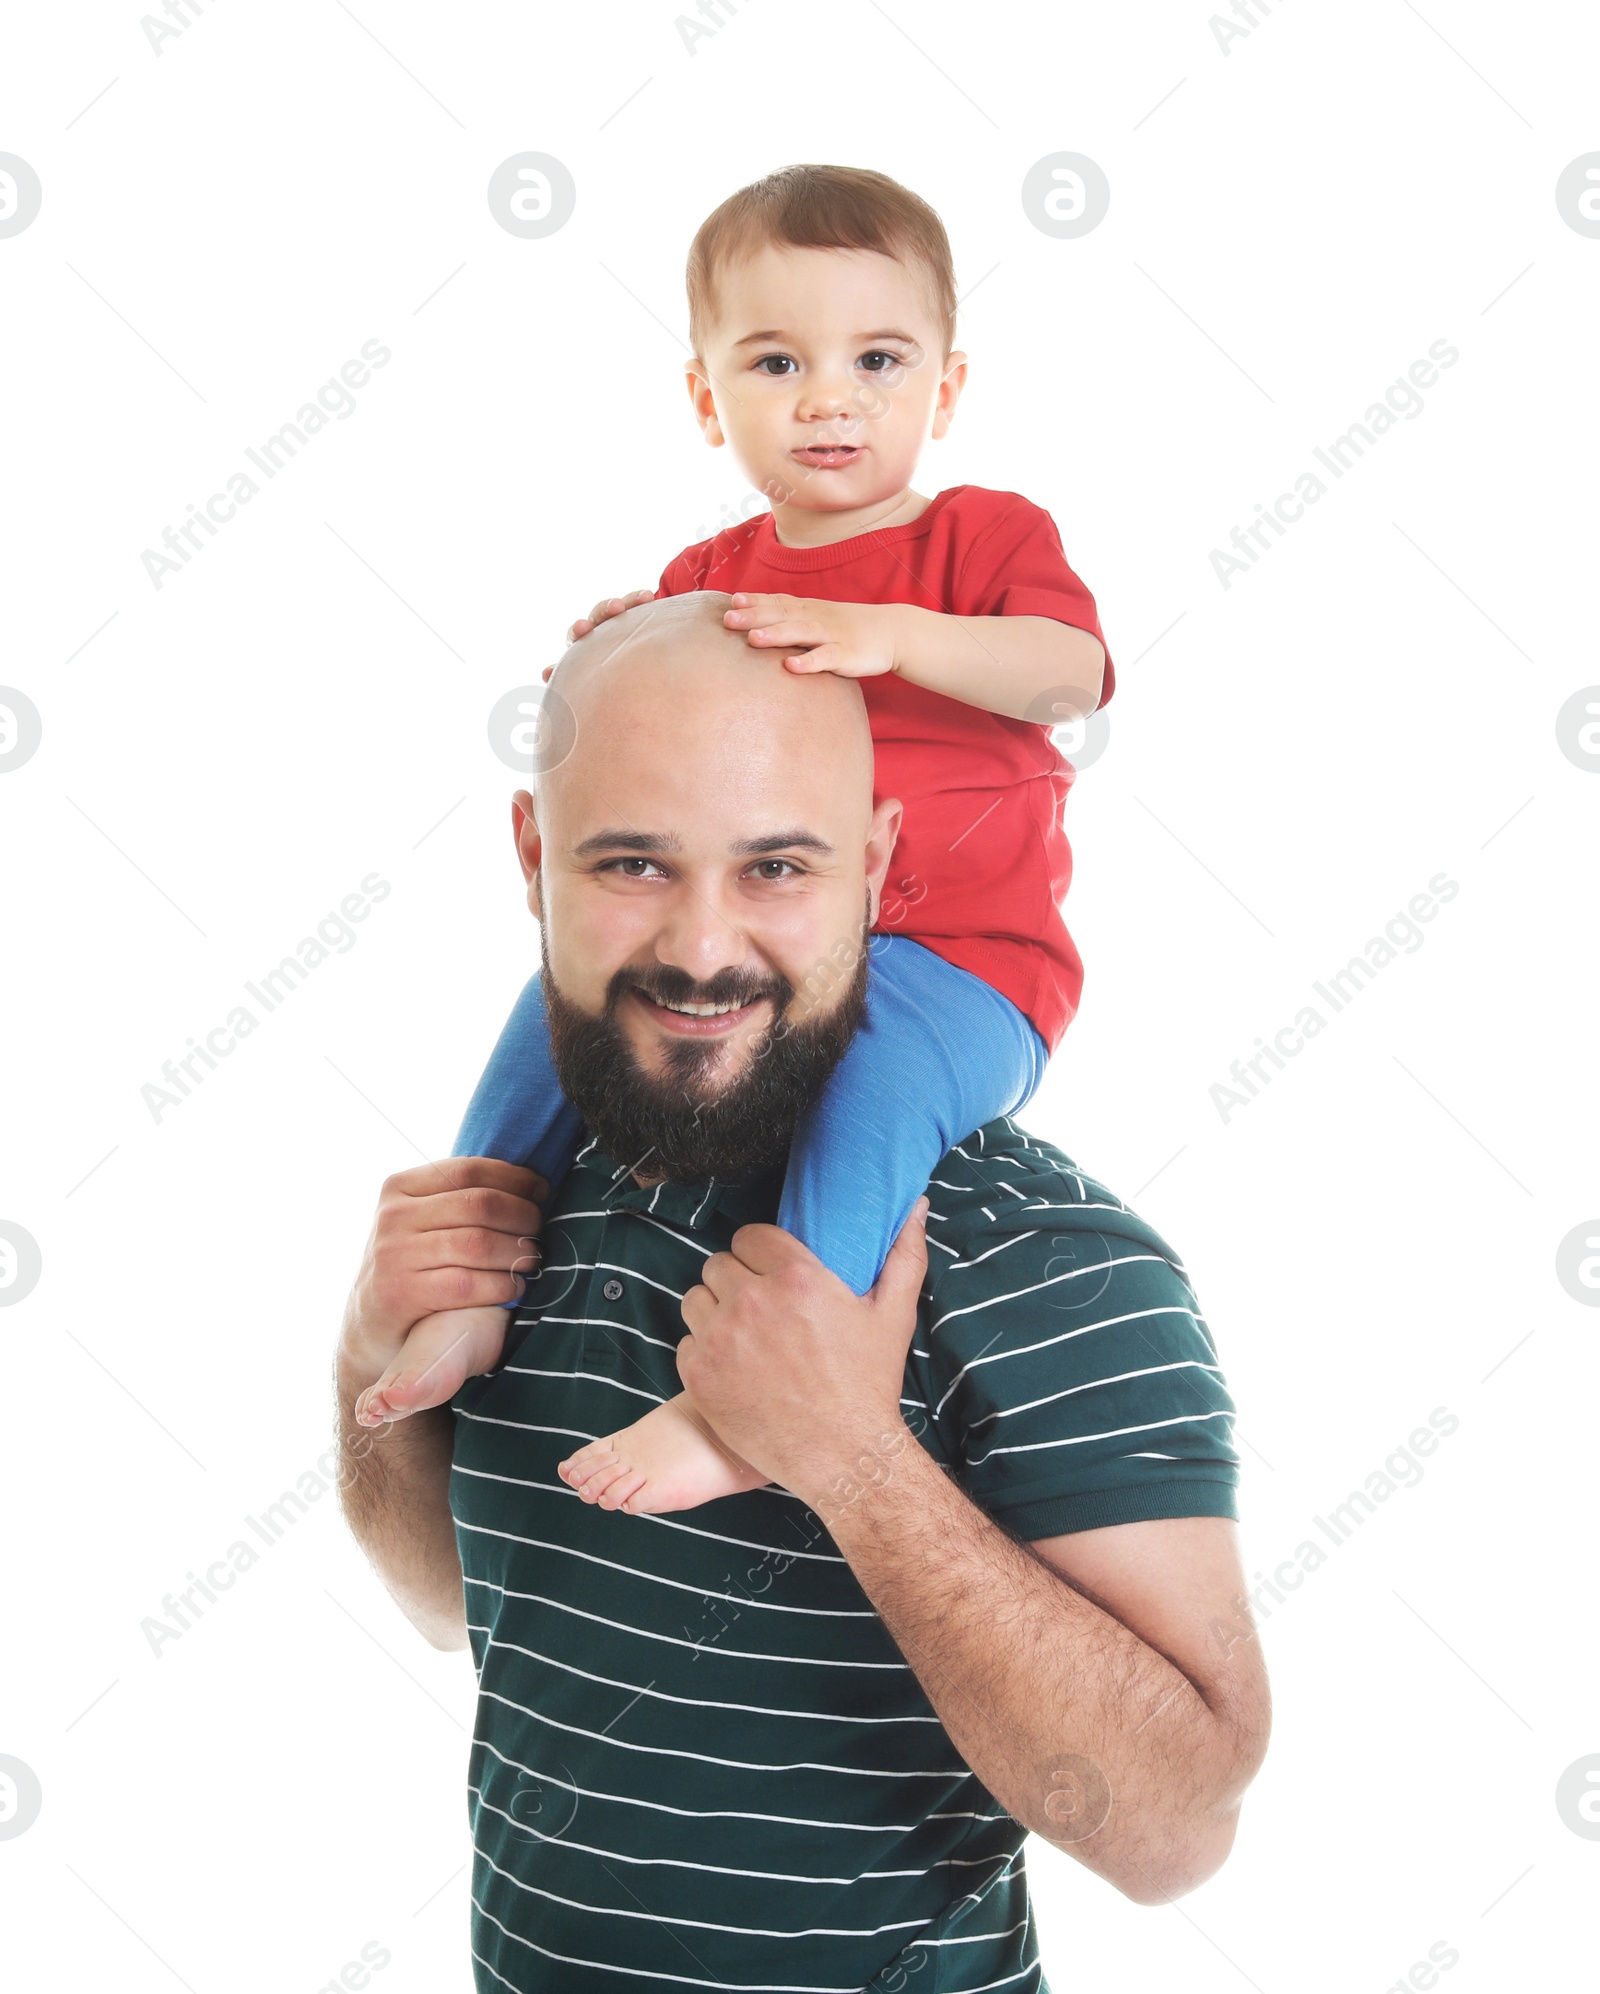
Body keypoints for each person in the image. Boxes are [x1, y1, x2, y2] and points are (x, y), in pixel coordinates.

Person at [334, 597, 1270, 1994]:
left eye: (777, 865)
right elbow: (467, 1612)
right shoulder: (542, 1191)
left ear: (877, 862)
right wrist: (372, 1362)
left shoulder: (1037, 1250)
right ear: (534, 856)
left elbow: (1174, 1829)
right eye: (634, 863)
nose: (705, 948)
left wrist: (854, 1461)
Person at [356, 164, 1118, 1519]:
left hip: (963, 958)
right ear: (708, 398)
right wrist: (619, 641)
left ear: (944, 389)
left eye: (878, 358)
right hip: (767, 946)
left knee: (874, 1083)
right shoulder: (709, 576)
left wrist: (897, 639)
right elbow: (653, 718)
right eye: (777, 360)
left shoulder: (981, 540)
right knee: (557, 1006)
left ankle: (753, 1407)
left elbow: (1073, 674)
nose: (830, 397)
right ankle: (471, 1288)